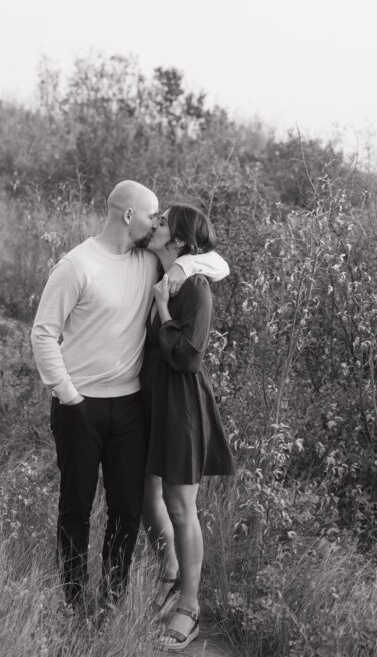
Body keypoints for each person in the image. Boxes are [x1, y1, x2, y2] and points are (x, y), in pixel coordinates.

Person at [30, 180, 229, 617]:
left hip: (132, 407)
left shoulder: (148, 262)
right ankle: (75, 601)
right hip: (79, 405)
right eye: (151, 215)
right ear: (128, 217)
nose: (156, 222)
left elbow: (215, 261)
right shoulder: (77, 264)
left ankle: (112, 600)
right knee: (76, 507)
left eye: (162, 220)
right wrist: (68, 396)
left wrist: (178, 270)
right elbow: (43, 333)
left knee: (126, 509)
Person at [140, 203, 235, 651]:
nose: (154, 225)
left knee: (180, 505)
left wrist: (162, 309)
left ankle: (190, 608)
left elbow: (187, 358)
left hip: (181, 405)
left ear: (177, 238)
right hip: (147, 401)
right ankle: (170, 571)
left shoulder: (194, 288)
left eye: (161, 223)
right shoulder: (155, 268)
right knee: (144, 496)